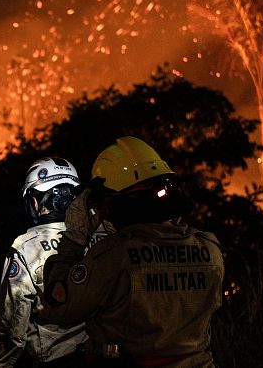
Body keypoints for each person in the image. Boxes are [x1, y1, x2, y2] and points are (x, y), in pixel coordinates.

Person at [40, 136, 225, 367]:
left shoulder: (112, 256)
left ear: (115, 202)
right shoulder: (210, 248)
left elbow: (59, 309)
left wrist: (75, 238)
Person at [0, 157, 111, 367]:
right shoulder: (106, 235)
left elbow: (12, 328)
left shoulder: (26, 247)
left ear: (35, 201)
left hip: (57, 360)